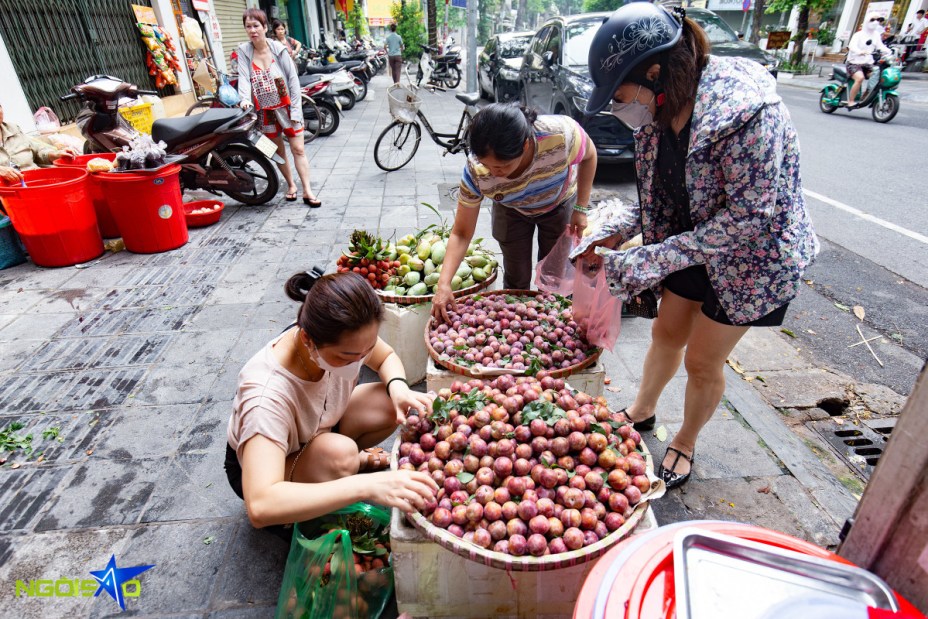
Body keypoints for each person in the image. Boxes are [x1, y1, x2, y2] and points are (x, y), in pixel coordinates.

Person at [580, 3, 818, 489]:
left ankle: (685, 440)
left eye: (620, 95)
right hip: (692, 243)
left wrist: (650, 258)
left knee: (702, 359)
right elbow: (664, 195)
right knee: (667, 334)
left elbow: (753, 216)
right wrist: (619, 232)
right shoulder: (656, 115)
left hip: (753, 259)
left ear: (653, 72)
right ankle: (643, 409)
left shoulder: (745, 112)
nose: (618, 107)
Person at [225, 269, 439, 534]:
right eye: (346, 357)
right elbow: (260, 506)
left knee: (388, 403)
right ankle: (332, 475)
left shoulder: (336, 333)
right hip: (269, 467)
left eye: (366, 350)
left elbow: (385, 358)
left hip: (320, 427)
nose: (359, 361)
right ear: (307, 339)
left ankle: (343, 467)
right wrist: (365, 487)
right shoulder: (265, 397)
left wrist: (398, 387)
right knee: (341, 455)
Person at [431, 103, 597, 323]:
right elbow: (461, 232)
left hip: (558, 203)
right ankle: (518, 322)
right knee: (516, 276)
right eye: (487, 165)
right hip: (510, 208)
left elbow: (590, 155)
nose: (495, 173)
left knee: (553, 277)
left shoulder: (559, 136)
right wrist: (444, 284)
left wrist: (581, 208)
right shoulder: (476, 170)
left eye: (503, 166)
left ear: (526, 145)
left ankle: (548, 322)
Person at [237, 8, 321, 207]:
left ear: (265, 27)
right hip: (264, 112)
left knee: (298, 149)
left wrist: (295, 110)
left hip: (287, 107)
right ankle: (291, 185)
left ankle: (307, 190)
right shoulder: (243, 51)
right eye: (248, 26)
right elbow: (243, 78)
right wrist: (244, 99)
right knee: (276, 151)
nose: (252, 30)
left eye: (256, 25)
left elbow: (293, 80)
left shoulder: (279, 49)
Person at [0, 103, 78, 184]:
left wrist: (56, 154)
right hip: (7, 190)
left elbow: (37, 151)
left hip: (35, 180)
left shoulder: (13, 129)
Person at [846, 16, 892, 107]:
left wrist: (889, 51)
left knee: (879, 76)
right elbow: (852, 46)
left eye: (878, 20)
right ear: (867, 21)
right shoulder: (858, 35)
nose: (875, 22)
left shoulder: (876, 35)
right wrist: (860, 52)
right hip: (854, 62)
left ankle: (866, 95)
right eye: (872, 20)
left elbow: (880, 46)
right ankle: (851, 101)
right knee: (860, 78)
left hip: (868, 63)